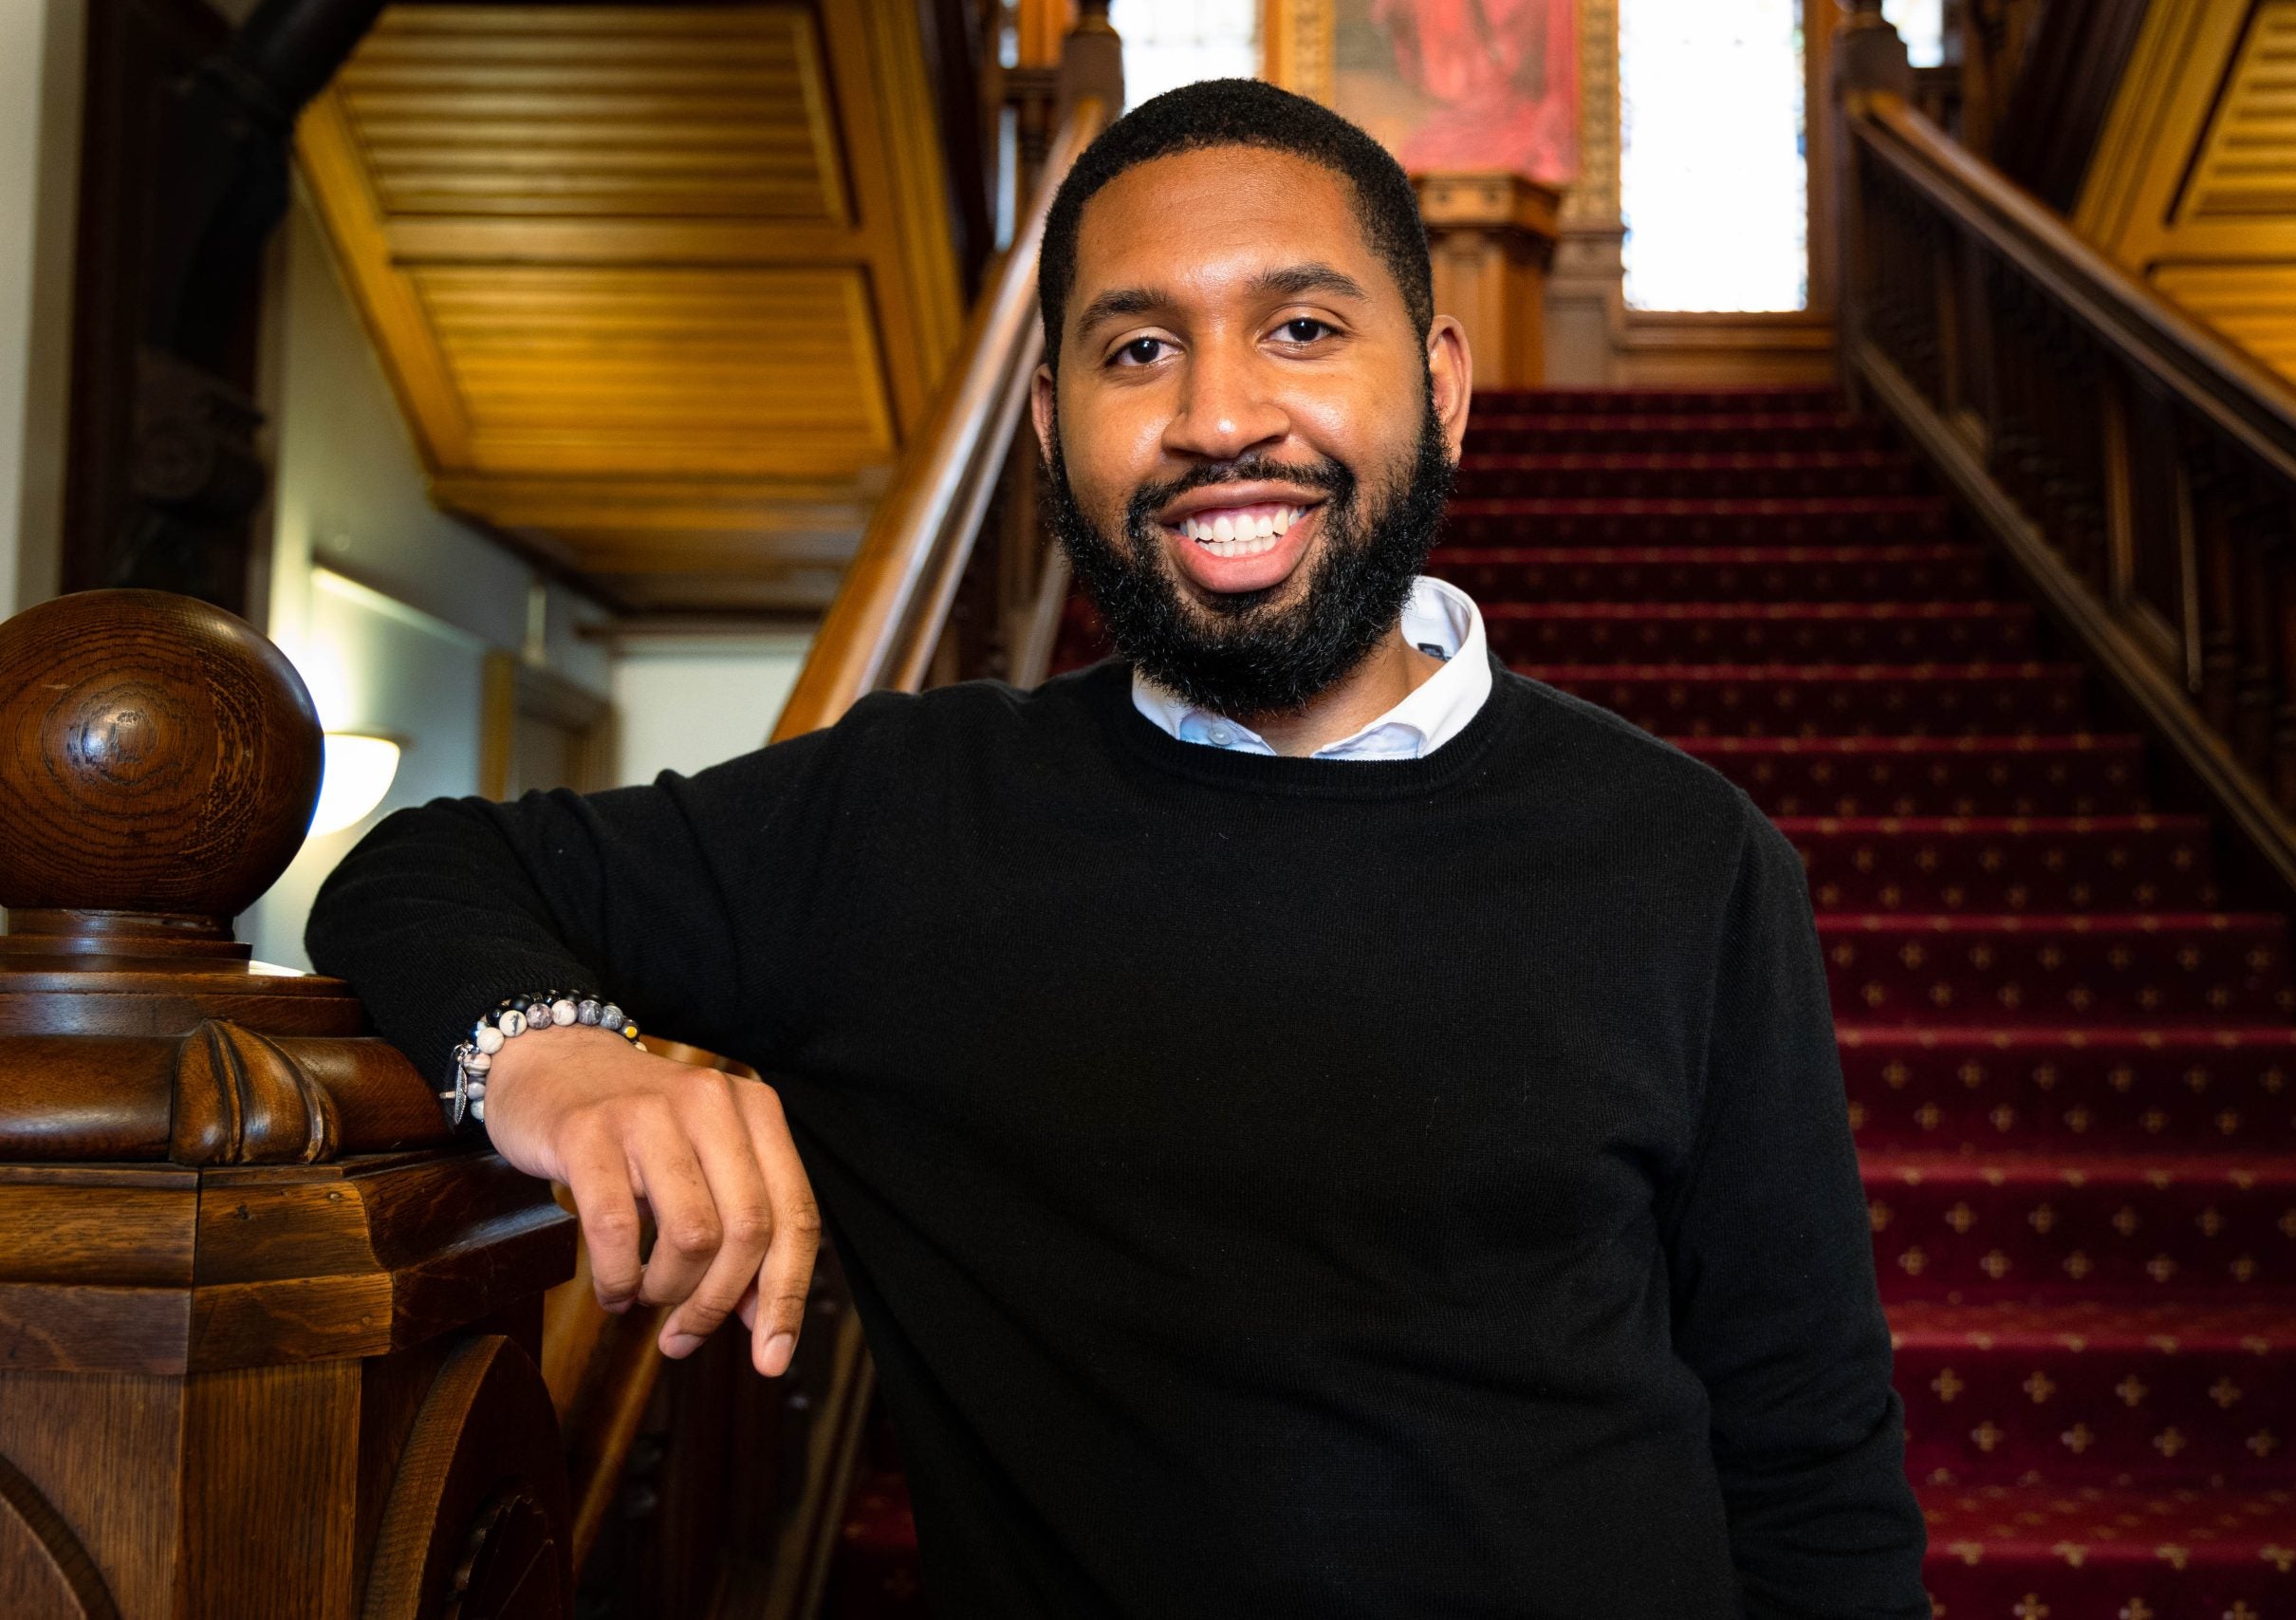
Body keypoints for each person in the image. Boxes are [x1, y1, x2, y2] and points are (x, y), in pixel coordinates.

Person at [308, 79, 1927, 1620]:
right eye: (1140, 347)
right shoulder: (905, 817)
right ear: (1048, 416)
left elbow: (1810, 1446)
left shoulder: (1691, 856)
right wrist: (559, 1062)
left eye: (1301, 329)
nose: (1219, 416)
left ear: (1438, 386)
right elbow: (419, 872)